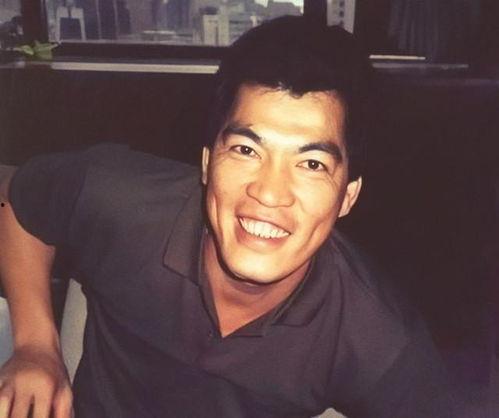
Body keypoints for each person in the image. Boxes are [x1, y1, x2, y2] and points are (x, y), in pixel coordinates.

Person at [0, 16, 456, 418]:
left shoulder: (377, 338)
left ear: (347, 197)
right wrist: (36, 345)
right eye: (245, 150)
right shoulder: (120, 198)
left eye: (312, 164)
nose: (269, 193)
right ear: (207, 163)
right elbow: (18, 199)